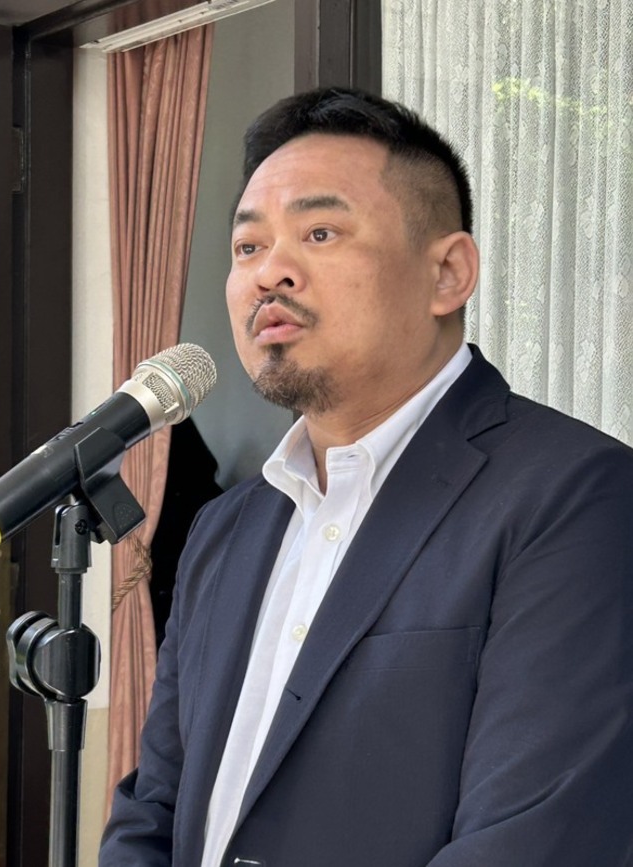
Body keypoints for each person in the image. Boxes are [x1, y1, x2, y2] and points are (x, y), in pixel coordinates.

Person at [99, 87, 633, 867]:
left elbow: (533, 839)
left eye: (319, 232)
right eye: (247, 247)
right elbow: (156, 807)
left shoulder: (575, 496)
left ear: (447, 272)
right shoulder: (226, 527)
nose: (270, 272)